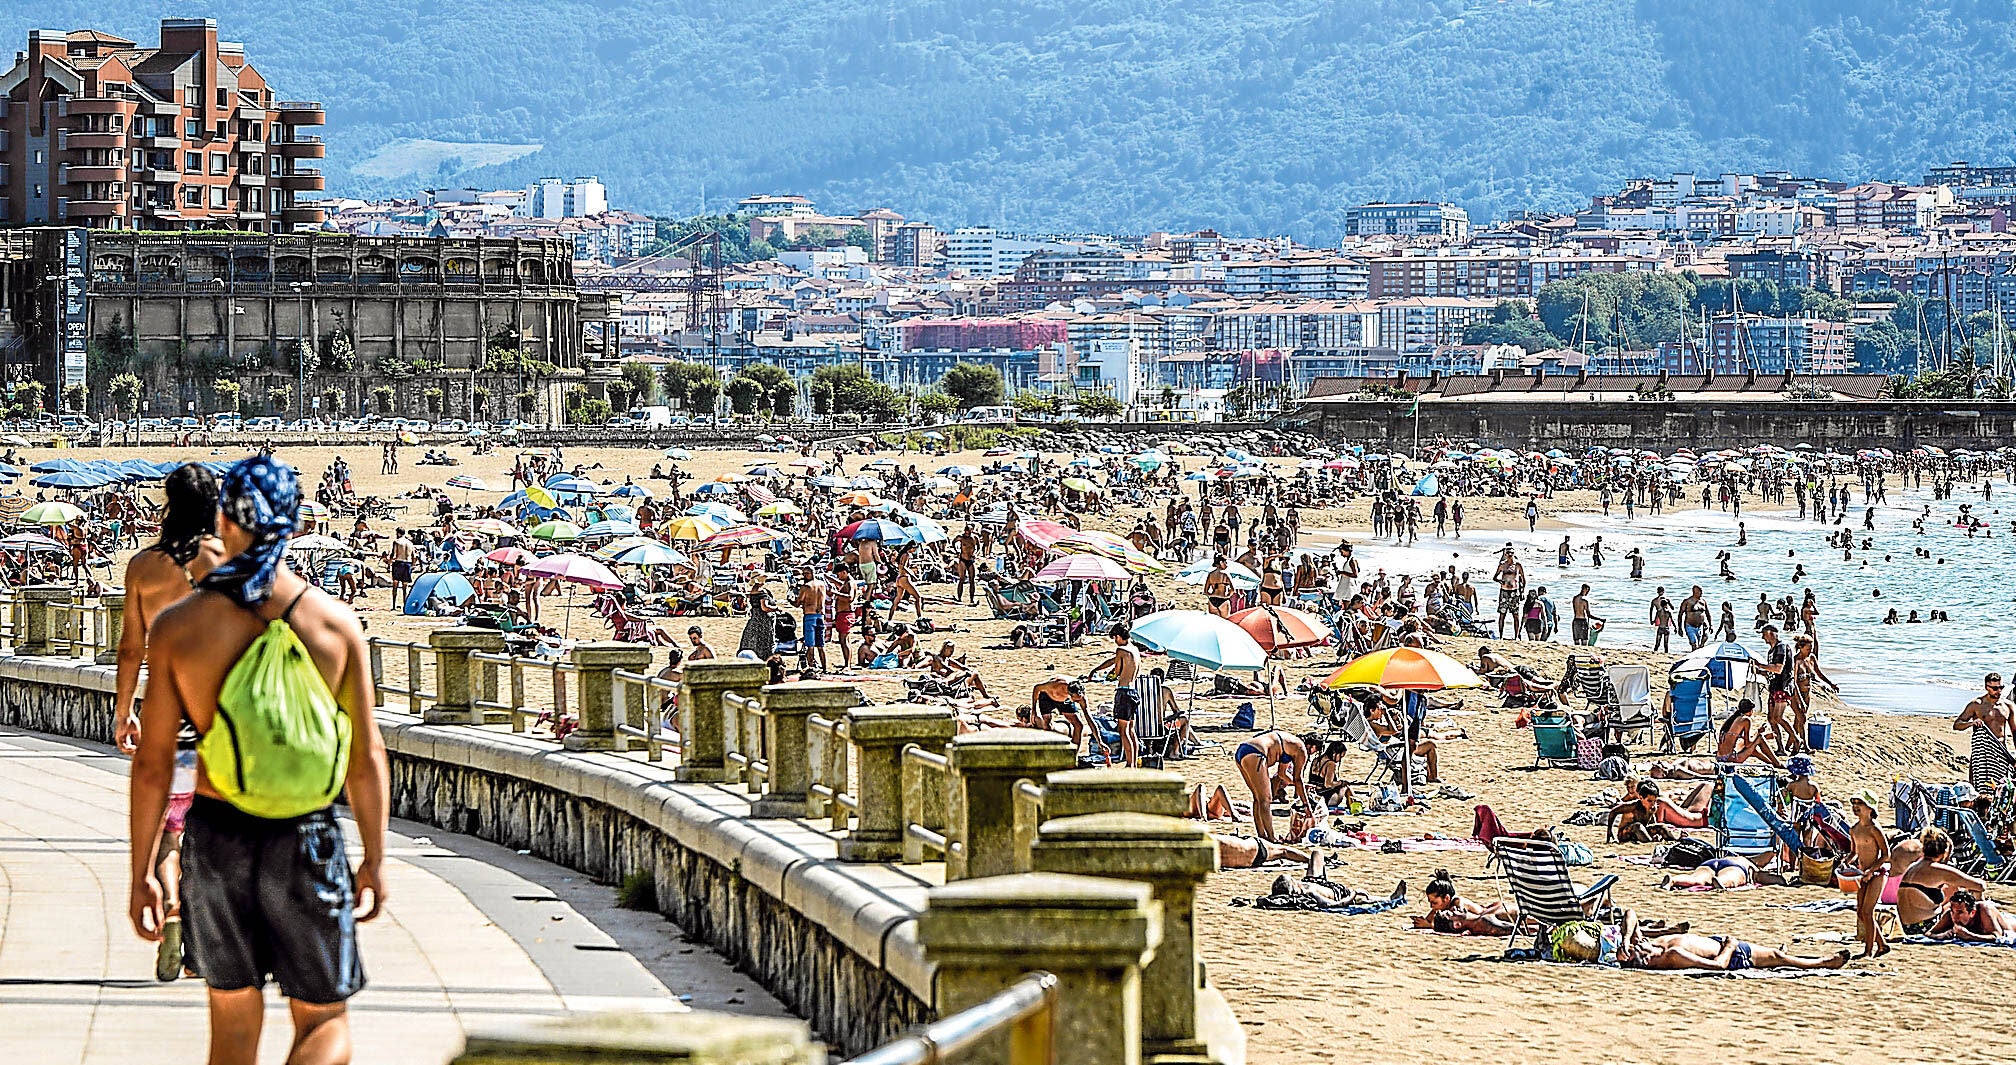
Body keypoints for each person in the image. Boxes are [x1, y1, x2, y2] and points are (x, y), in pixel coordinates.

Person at [129, 455, 389, 1065]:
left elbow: (153, 764)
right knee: (324, 1024)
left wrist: (142, 868)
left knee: (233, 1029)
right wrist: (375, 857)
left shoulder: (179, 628)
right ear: (295, 523)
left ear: (224, 520)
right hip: (304, 835)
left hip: (217, 838)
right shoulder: (333, 625)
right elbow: (365, 754)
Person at [113, 463, 230, 982]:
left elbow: (130, 647)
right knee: (218, 829)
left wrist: (123, 710)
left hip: (166, 714)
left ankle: (174, 915)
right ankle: (207, 941)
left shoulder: (142, 567)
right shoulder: (225, 559)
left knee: (169, 833)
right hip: (221, 716)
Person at [1896, 827, 1985, 935]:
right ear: (1944, 852)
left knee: (1952, 888)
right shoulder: (1938, 870)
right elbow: (1980, 886)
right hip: (1925, 926)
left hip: (1905, 926)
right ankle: (1981, 927)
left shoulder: (1912, 867)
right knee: (1972, 891)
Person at [1231, 729, 1310, 842]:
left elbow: (1282, 774)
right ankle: (1271, 837)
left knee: (1258, 798)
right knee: (1266, 799)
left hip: (1243, 750)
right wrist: (1307, 806)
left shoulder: (1289, 743)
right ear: (1312, 747)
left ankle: (1262, 835)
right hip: (1256, 753)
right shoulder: (1301, 749)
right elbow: (1298, 779)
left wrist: (1300, 786)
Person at [1084, 623, 1142, 766]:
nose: (1115, 641)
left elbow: (1117, 671)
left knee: (1123, 731)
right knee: (1131, 731)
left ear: (1118, 636)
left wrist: (1109, 674)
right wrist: (1096, 669)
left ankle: (1130, 764)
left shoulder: (1121, 650)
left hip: (1124, 692)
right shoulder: (1134, 649)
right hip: (1134, 691)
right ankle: (1133, 761)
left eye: (1114, 638)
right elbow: (1113, 661)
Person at [1846, 790, 1892, 958]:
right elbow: (1853, 852)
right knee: (1861, 912)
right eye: (1854, 803)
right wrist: (1845, 863)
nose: (1855, 807)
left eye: (1860, 804)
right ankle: (1881, 945)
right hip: (1862, 873)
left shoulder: (1874, 829)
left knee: (1867, 911)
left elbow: (1886, 855)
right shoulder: (1854, 829)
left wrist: (1871, 871)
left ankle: (1868, 951)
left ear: (1870, 808)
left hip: (1878, 873)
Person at [1954, 673, 2014, 791]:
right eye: (1995, 688)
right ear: (1987, 687)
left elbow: (2015, 732)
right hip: (1981, 753)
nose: (1999, 691)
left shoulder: (2008, 706)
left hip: (2000, 752)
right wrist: (1971, 723)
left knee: (2000, 788)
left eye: (2001, 687)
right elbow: (1957, 725)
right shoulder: (1976, 705)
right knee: (1978, 788)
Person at [796, 567, 829, 673]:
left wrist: (791, 600)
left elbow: (798, 602)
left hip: (810, 616)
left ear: (812, 573)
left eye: (806, 573)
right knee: (820, 645)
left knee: (810, 645)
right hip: (820, 616)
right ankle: (824, 668)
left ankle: (811, 668)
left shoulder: (806, 587)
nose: (804, 576)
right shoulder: (822, 585)